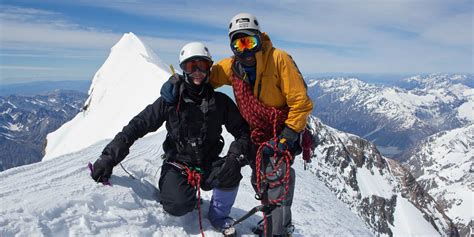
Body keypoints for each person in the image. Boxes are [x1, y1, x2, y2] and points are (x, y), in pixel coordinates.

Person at [161, 13, 313, 237]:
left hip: (282, 130)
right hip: (255, 132)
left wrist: (287, 137)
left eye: (249, 41)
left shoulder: (280, 60)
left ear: (259, 39)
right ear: (232, 46)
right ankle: (276, 221)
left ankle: (278, 231)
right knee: (260, 181)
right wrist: (175, 84)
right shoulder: (232, 67)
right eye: (238, 43)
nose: (245, 50)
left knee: (275, 177)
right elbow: (203, 76)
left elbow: (300, 103)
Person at [90, 42, 250, 236]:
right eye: (191, 67)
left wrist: (234, 156)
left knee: (230, 172)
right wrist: (109, 157)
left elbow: (243, 131)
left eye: (202, 65)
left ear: (210, 68)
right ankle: (182, 192)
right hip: (178, 164)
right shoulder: (170, 101)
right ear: (183, 70)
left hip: (208, 162)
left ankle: (218, 217)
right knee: (178, 205)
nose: (197, 72)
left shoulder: (220, 102)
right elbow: (138, 125)